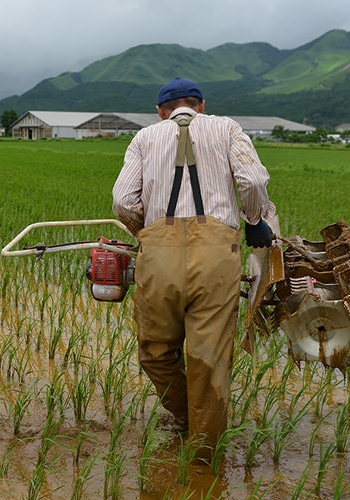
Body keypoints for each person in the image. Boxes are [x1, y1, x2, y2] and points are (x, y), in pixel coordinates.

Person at [112, 77, 276, 457]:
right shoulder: (227, 127)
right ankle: (204, 454)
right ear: (201, 105)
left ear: (160, 111)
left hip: (158, 256)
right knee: (209, 357)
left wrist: (148, 235)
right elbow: (251, 179)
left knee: (155, 351)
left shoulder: (144, 138)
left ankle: (184, 416)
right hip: (217, 258)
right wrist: (253, 221)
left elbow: (122, 201)